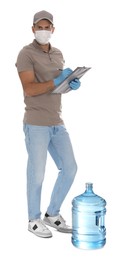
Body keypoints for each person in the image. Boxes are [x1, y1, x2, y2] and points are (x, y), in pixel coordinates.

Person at [16, 10, 81, 238]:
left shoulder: (59, 53)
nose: (44, 30)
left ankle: (52, 214)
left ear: (53, 29)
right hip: (36, 123)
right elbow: (30, 89)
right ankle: (33, 220)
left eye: (47, 27)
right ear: (33, 29)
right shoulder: (26, 54)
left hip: (57, 121)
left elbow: (55, 88)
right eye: (39, 27)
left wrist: (69, 84)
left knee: (70, 168)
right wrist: (55, 80)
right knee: (37, 173)